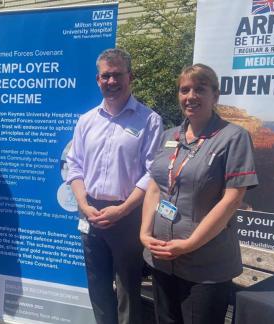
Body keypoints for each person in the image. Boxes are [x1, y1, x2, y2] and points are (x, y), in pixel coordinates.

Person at [140, 64, 259, 324]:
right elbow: (154, 186)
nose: (190, 96)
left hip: (205, 265)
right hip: (161, 258)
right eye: (185, 90)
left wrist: (188, 245)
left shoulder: (233, 137)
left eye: (199, 89)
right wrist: (144, 233)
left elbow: (232, 200)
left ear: (215, 95)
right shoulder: (169, 136)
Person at [66, 48, 163, 324]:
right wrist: (84, 205)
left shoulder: (149, 120)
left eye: (117, 75)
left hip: (128, 215)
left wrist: (121, 211)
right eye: (106, 76)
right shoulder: (86, 120)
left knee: (127, 290)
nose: (111, 81)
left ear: (129, 77)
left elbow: (152, 174)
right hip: (91, 212)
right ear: (98, 79)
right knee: (97, 287)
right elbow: (74, 165)